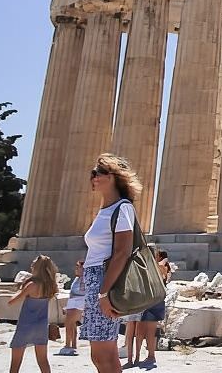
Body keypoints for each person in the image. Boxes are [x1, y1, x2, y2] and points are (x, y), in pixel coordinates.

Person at [82, 154, 141, 373]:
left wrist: (104, 293)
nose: (93, 177)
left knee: (105, 354)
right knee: (98, 355)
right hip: (94, 281)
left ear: (114, 177)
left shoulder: (122, 208)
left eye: (98, 173)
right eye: (92, 173)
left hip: (103, 283)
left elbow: (122, 252)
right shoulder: (104, 211)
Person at [9, 255, 59, 373]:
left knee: (15, 363)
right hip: (41, 325)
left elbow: (12, 302)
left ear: (37, 267)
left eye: (33, 264)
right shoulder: (50, 285)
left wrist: (19, 289)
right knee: (43, 361)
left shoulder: (32, 285)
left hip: (26, 324)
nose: (31, 265)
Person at [134, 248, 171, 368]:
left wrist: (162, 260)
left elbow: (161, 269)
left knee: (150, 330)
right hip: (148, 300)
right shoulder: (152, 267)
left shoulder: (162, 267)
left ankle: (151, 355)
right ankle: (141, 356)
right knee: (142, 330)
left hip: (155, 301)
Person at [61, 260, 86, 356]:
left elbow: (83, 292)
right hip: (73, 302)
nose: (76, 269)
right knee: (71, 324)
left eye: (78, 267)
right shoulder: (76, 279)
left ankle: (67, 345)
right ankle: (73, 344)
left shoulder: (85, 279)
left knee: (69, 322)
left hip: (79, 302)